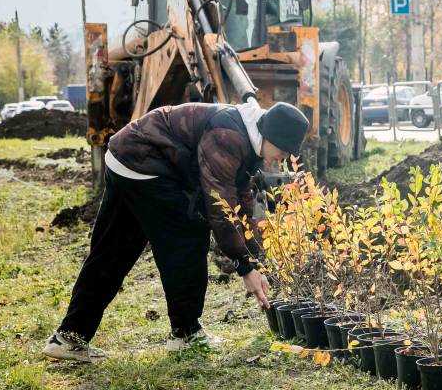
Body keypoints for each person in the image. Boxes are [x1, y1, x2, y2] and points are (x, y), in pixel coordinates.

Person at [43, 100, 310, 363]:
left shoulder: (247, 136)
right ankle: (185, 333)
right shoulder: (228, 137)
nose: (284, 158)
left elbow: (241, 197)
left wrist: (253, 256)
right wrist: (243, 266)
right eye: (285, 150)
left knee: (112, 252)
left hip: (125, 158)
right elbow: (219, 206)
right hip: (145, 164)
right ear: (271, 135)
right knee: (188, 237)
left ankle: (69, 337)